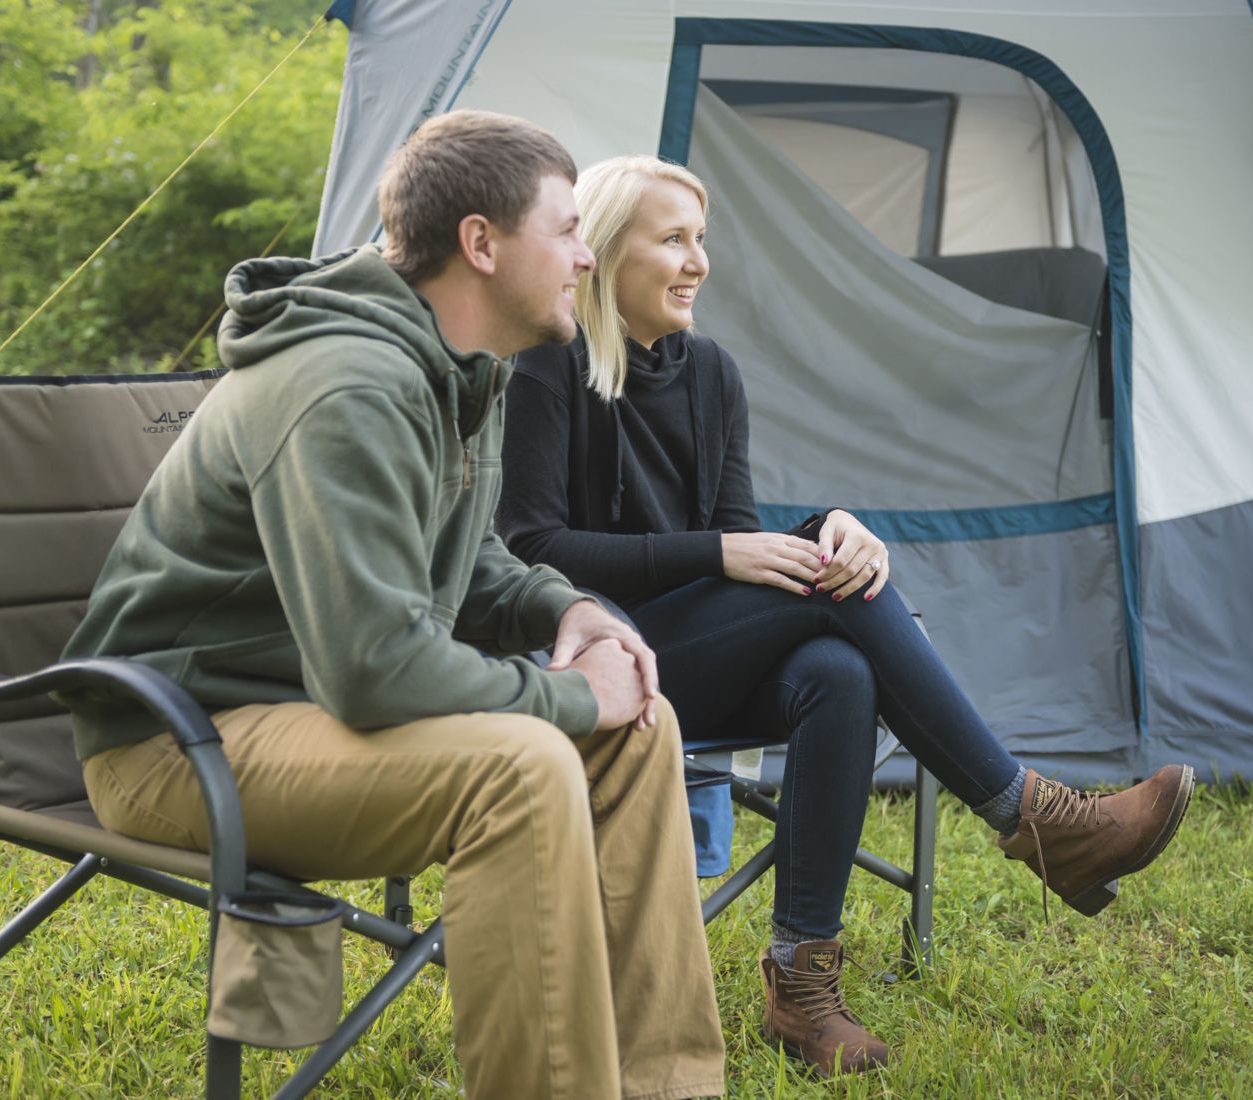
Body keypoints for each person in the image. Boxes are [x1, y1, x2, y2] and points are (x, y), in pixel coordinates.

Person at [58, 117, 725, 1100]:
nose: (589, 254)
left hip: (304, 708)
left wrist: (564, 608)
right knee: (526, 759)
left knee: (640, 732)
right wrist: (574, 696)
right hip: (176, 739)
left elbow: (467, 555)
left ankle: (664, 1086)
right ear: (481, 244)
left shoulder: (460, 363)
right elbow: (375, 668)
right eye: (568, 229)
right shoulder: (344, 383)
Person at [496, 155, 1195, 1077]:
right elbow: (531, 548)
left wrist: (826, 527)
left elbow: (746, 551)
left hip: (704, 656)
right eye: (673, 240)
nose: (699, 262)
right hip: (600, 665)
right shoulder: (548, 373)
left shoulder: (712, 373)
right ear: (608, 250)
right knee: (841, 602)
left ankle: (802, 989)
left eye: (702, 240)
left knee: (840, 670)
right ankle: (1034, 816)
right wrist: (732, 553)